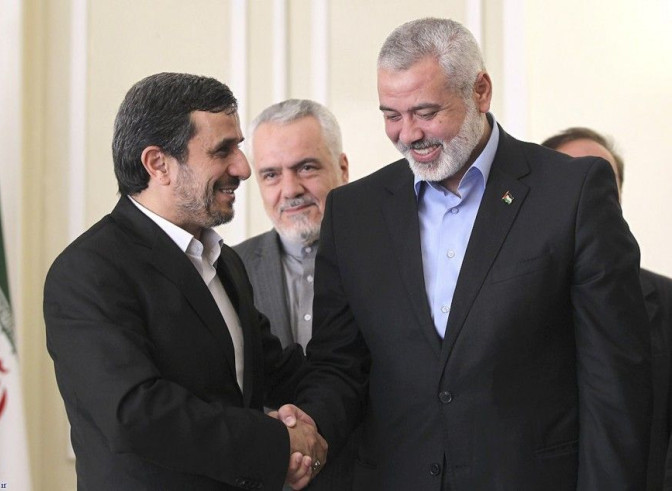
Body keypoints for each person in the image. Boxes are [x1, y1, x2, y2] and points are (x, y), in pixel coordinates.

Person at [276, 17, 652, 490]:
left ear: (481, 91)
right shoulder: (354, 212)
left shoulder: (572, 192)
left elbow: (614, 383)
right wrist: (305, 428)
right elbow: (341, 365)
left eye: (426, 112)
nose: (408, 134)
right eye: (391, 115)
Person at [43, 72, 327, 490]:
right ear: (159, 164)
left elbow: (275, 371)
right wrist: (278, 442)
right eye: (223, 151)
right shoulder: (88, 271)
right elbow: (137, 414)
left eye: (239, 148)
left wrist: (330, 407)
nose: (243, 168)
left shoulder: (224, 261)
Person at [542, 127, 672, 491]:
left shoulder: (667, 300)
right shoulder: (497, 299)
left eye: (601, 181)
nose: (587, 193)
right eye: (573, 178)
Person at [234, 99, 354, 490]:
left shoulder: (392, 258)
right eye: (270, 174)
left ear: (342, 169)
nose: (290, 190)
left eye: (306, 167)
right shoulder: (228, 270)